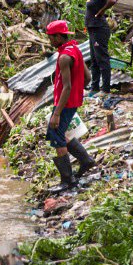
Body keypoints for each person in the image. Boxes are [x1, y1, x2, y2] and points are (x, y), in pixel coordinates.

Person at [45, 20, 97, 188]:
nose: (50, 42)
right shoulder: (75, 49)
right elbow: (87, 77)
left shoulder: (64, 57)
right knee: (57, 133)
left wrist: (57, 113)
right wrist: (76, 92)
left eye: (51, 38)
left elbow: (66, 87)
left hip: (64, 103)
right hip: (72, 101)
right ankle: (86, 160)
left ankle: (68, 180)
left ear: (59, 37)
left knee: (56, 135)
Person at [83, 0, 117, 95]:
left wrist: (101, 12)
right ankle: (94, 88)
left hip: (99, 29)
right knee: (94, 59)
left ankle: (105, 89)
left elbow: (112, 0)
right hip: (93, 29)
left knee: (102, 59)